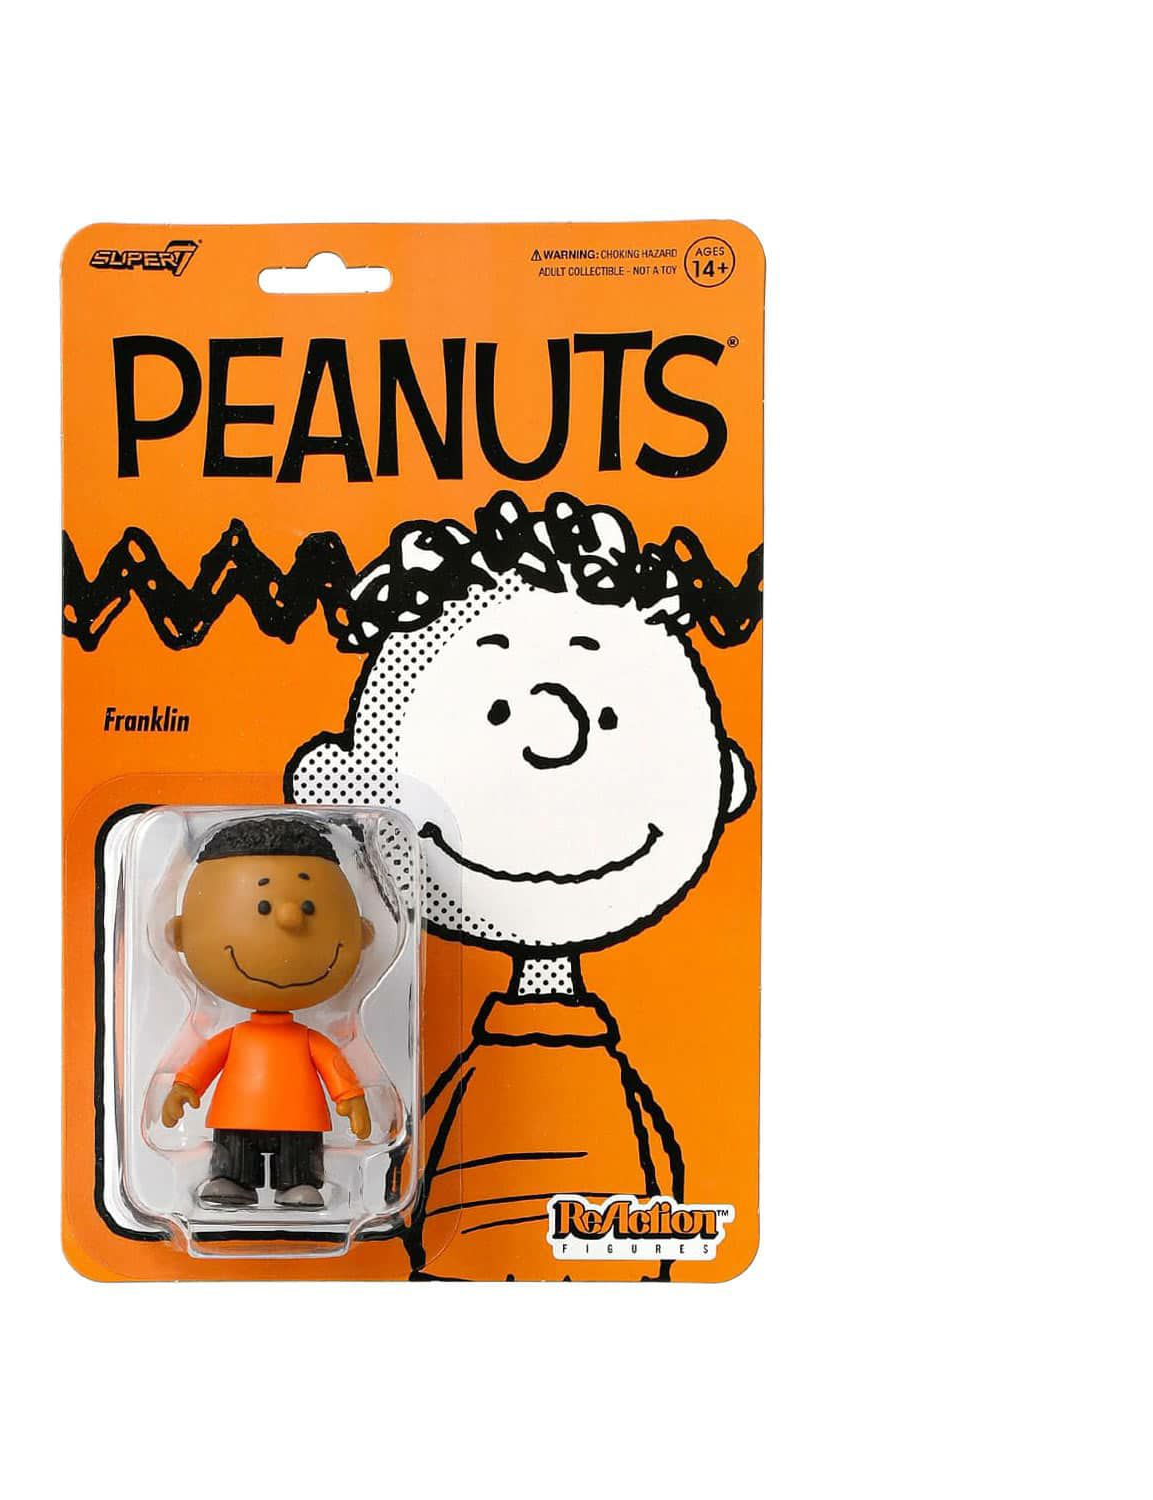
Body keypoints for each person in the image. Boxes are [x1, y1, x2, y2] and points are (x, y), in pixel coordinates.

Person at [286, 490, 758, 1276]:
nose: (551, 739)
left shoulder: (568, 1070)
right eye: (496, 712)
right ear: (340, 778)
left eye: (608, 721)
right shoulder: (484, 1065)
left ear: (724, 779)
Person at [157, 815, 375, 1209]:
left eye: (308, 907)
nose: (290, 917)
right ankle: (231, 1178)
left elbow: (333, 1065)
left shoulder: (307, 1041)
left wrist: (351, 1097)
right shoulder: (237, 1038)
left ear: (362, 934)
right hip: (238, 1114)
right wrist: (184, 1087)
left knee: (300, 1155)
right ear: (180, 935)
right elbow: (206, 1061)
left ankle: (298, 1183)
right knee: (234, 1152)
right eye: (262, 907)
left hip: (300, 1118)